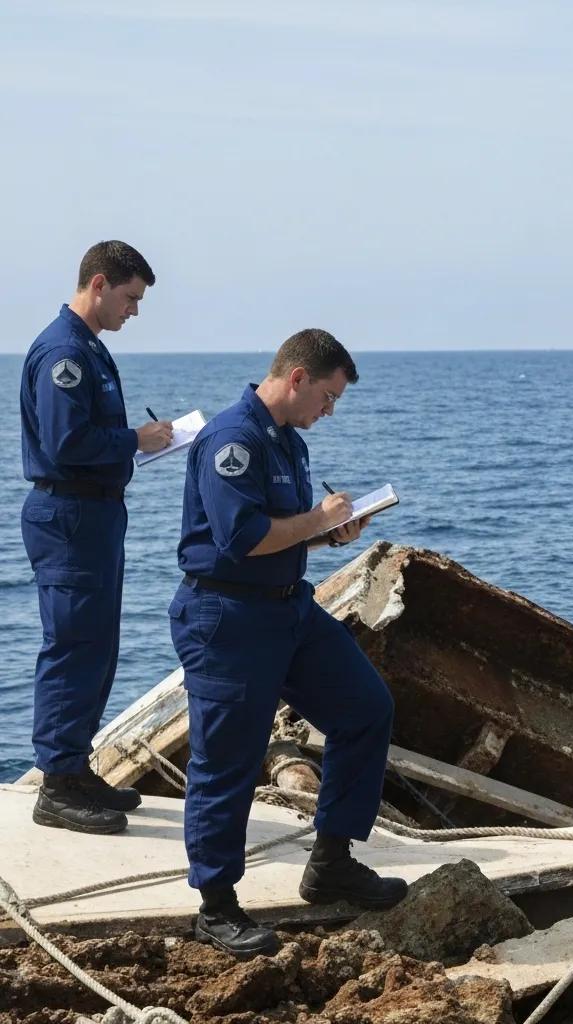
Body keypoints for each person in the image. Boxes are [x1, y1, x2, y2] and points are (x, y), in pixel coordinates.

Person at [170, 328, 406, 959]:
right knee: (228, 758)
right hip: (228, 615)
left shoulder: (287, 442)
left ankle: (332, 861)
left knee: (366, 708)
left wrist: (331, 534)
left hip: (289, 607)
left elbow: (286, 532)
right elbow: (242, 537)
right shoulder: (233, 440)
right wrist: (318, 519)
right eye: (328, 397)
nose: (329, 411)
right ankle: (216, 906)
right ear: (297, 377)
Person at [20, 241, 172, 835]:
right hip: (70, 516)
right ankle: (56, 786)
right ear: (100, 283)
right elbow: (65, 444)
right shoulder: (65, 352)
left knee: (97, 646)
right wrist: (137, 440)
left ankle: (74, 767)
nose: (134, 310)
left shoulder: (89, 348)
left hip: (94, 515)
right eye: (131, 298)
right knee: (73, 645)